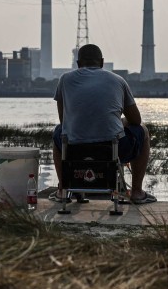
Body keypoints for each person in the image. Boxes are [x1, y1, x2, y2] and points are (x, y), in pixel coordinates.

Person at [51, 43, 156, 204]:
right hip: (113, 149)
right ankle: (136, 192)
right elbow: (136, 120)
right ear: (101, 62)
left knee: (58, 132)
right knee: (143, 131)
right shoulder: (118, 80)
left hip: (74, 150)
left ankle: (63, 190)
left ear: (78, 64)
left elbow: (64, 121)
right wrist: (122, 122)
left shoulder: (65, 79)